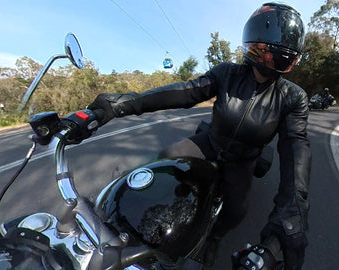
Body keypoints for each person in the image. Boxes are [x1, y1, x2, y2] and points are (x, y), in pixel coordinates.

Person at [88, 3, 311, 269]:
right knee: (166, 157)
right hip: (210, 142)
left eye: (280, 57)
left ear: (291, 60)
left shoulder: (293, 97)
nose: (269, 61)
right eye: (264, 52)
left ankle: (214, 238)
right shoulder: (226, 73)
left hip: (243, 159)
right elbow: (187, 91)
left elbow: (296, 146)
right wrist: (123, 104)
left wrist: (294, 208)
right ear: (252, 46)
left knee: (236, 210)